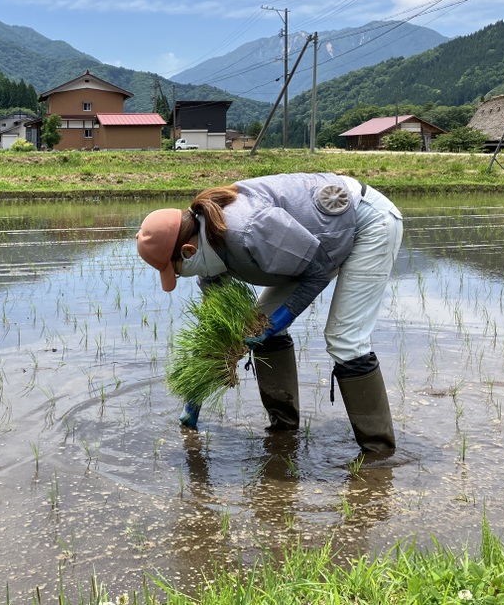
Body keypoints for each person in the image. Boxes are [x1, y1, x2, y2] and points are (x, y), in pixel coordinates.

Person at [135, 172, 403, 454]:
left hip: (366, 225)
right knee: (259, 326)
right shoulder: (208, 256)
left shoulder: (248, 229)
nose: (180, 276)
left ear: (188, 250)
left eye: (176, 271)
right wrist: (195, 392)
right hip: (312, 248)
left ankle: (379, 453)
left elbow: (317, 272)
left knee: (345, 339)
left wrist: (280, 319)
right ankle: (284, 429)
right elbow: (212, 331)